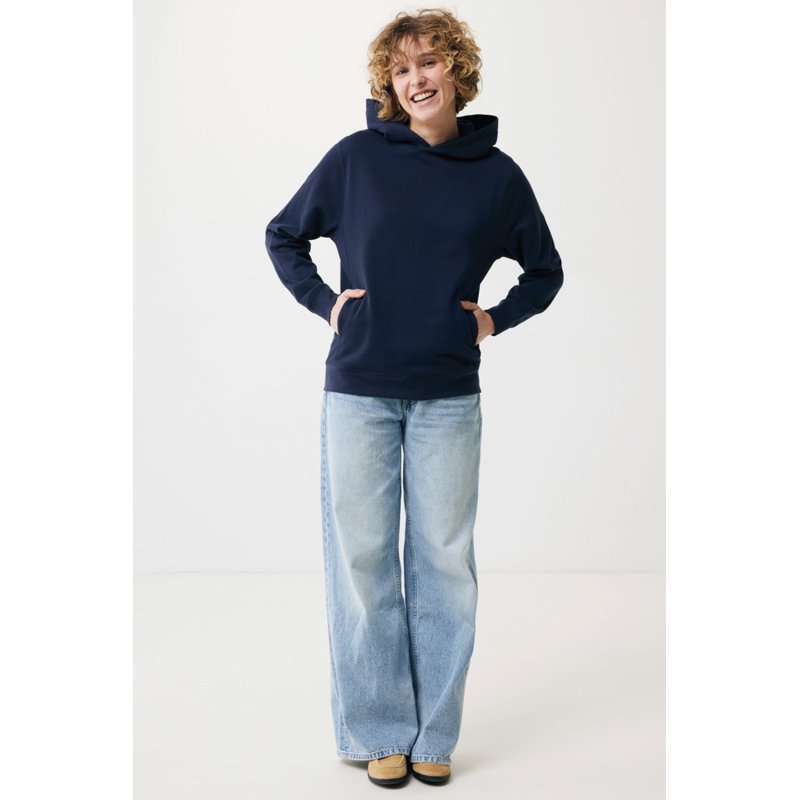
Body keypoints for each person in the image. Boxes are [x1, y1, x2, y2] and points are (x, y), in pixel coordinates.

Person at [265, 8, 564, 788]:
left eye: (429, 61)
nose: (416, 79)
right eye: (400, 70)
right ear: (387, 85)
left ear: (458, 69)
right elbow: (284, 235)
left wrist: (492, 320)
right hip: (358, 391)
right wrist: (328, 304)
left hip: (447, 396)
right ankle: (377, 729)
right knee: (363, 563)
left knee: (444, 564)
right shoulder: (356, 159)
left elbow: (546, 271)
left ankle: (434, 732)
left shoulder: (497, 176)